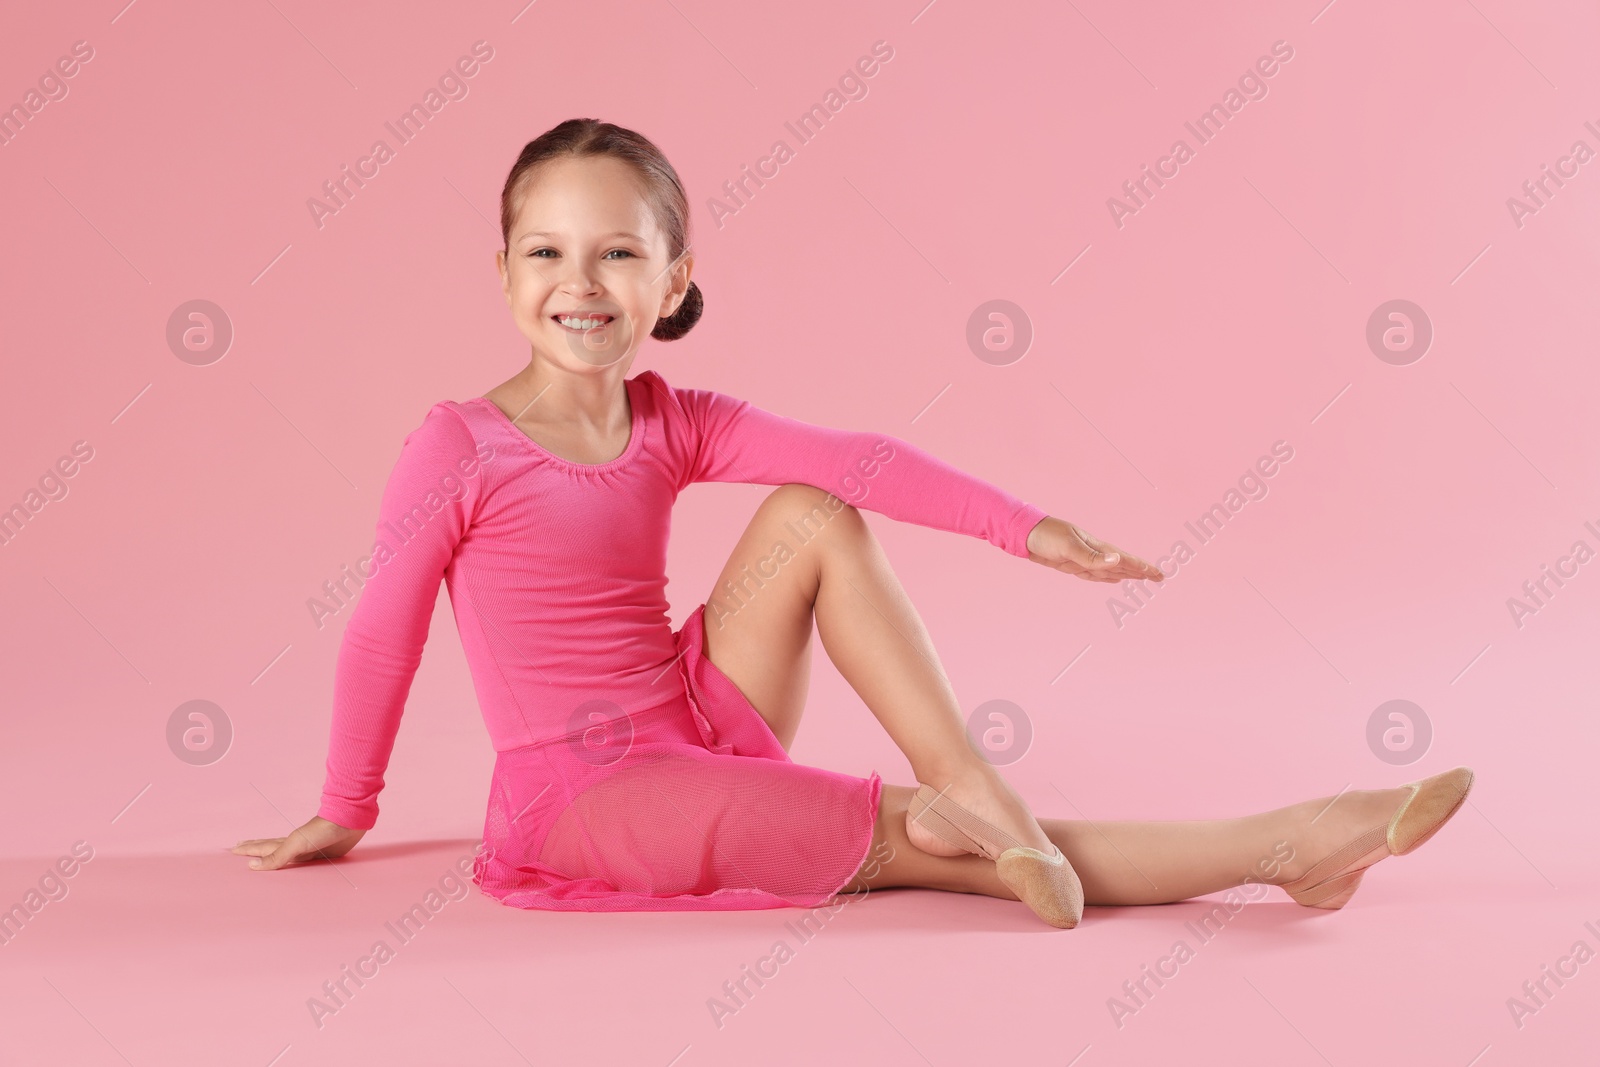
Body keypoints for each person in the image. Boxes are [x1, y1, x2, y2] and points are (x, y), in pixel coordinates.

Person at [229, 119, 1473, 929]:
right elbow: (381, 635)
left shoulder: (674, 416)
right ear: (503, 274)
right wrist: (347, 806)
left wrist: (1029, 528)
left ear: (670, 284)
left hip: (698, 713)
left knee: (813, 511)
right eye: (546, 252)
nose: (580, 282)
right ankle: (1288, 841)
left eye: (617, 255)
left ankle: (963, 778)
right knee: (953, 858)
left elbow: (859, 462)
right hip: (585, 790)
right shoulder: (458, 446)